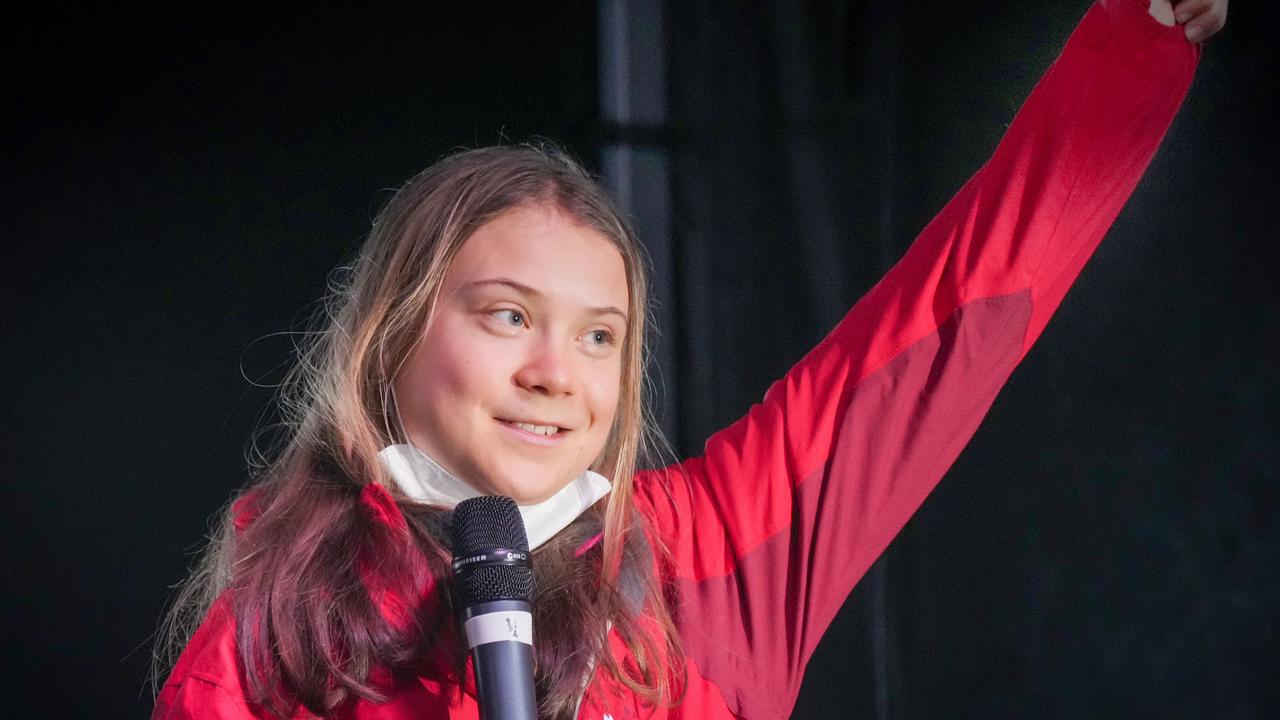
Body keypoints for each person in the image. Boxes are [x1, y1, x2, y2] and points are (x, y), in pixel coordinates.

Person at [153, 1, 1227, 717]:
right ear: (394, 336)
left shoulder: (709, 556)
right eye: (504, 315)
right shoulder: (271, 641)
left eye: (597, 335)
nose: (555, 372)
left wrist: (1135, 45)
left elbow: (955, 309)